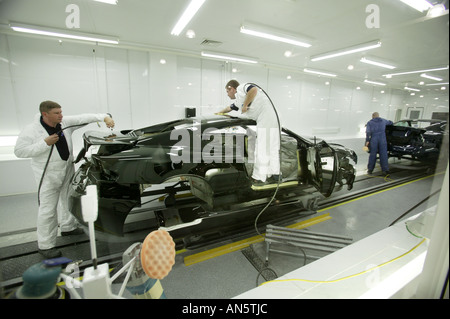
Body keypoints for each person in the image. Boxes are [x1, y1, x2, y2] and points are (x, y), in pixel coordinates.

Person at [14, 100, 115, 258]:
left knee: (67, 199)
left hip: (66, 169)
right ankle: (45, 245)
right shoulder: (32, 130)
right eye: (57, 113)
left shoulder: (64, 122)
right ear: (45, 114)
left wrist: (104, 117)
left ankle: (68, 227)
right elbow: (19, 151)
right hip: (47, 174)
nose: (61, 115)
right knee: (47, 210)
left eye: (61, 112)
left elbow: (83, 118)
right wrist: (44, 144)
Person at [218, 80, 280, 186]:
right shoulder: (239, 100)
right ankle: (275, 175)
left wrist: (245, 105)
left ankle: (259, 178)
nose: (227, 95)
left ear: (232, 89)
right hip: (273, 116)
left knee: (262, 147)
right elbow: (229, 108)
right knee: (272, 148)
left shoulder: (242, 87)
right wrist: (219, 113)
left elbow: (253, 90)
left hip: (266, 115)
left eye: (227, 92)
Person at [365, 112, 393, 176]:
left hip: (374, 139)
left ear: (373, 116)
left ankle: (370, 170)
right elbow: (391, 122)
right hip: (382, 139)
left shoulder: (370, 122)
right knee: (383, 154)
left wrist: (367, 141)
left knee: (373, 154)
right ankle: (385, 170)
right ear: (378, 116)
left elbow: (368, 132)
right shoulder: (383, 120)